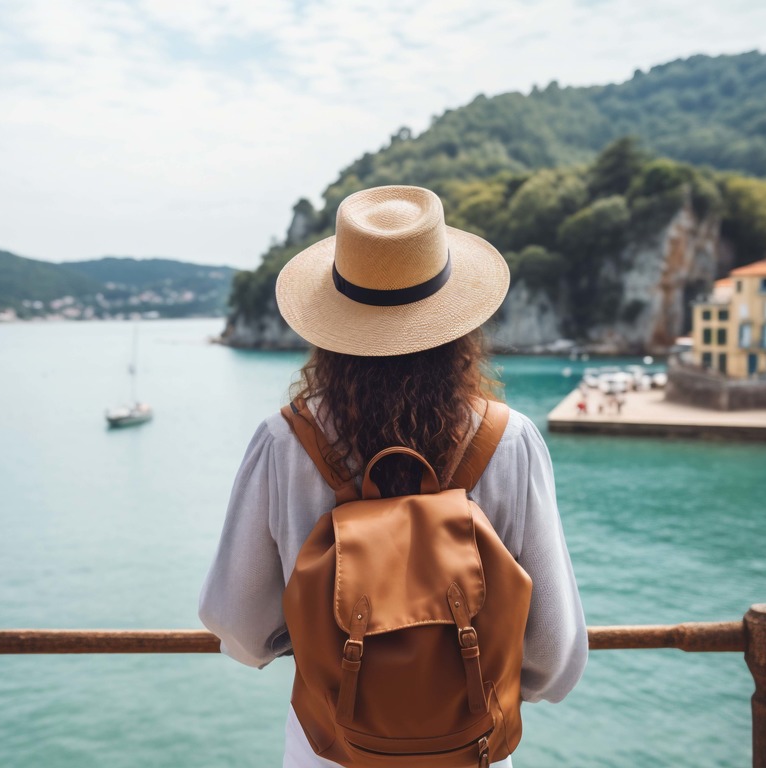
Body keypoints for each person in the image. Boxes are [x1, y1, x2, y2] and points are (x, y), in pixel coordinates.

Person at [199, 185, 587, 767]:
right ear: (459, 322)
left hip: (331, 753)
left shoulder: (283, 444)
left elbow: (241, 629)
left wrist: (323, 643)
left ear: (330, 327)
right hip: (471, 751)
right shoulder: (510, 442)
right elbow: (553, 655)